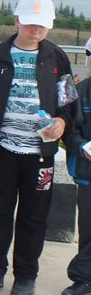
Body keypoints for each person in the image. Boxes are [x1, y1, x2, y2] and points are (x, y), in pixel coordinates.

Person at [0, 0, 74, 295]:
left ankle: (26, 275)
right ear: (17, 21)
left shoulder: (56, 57)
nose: (35, 30)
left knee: (34, 216)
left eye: (41, 25)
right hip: (1, 151)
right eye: (29, 24)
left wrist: (62, 121)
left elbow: (67, 100)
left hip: (39, 155)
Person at [64, 75, 91, 295]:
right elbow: (70, 133)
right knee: (88, 230)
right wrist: (83, 147)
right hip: (88, 175)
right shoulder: (81, 92)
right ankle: (84, 279)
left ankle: (81, 272)